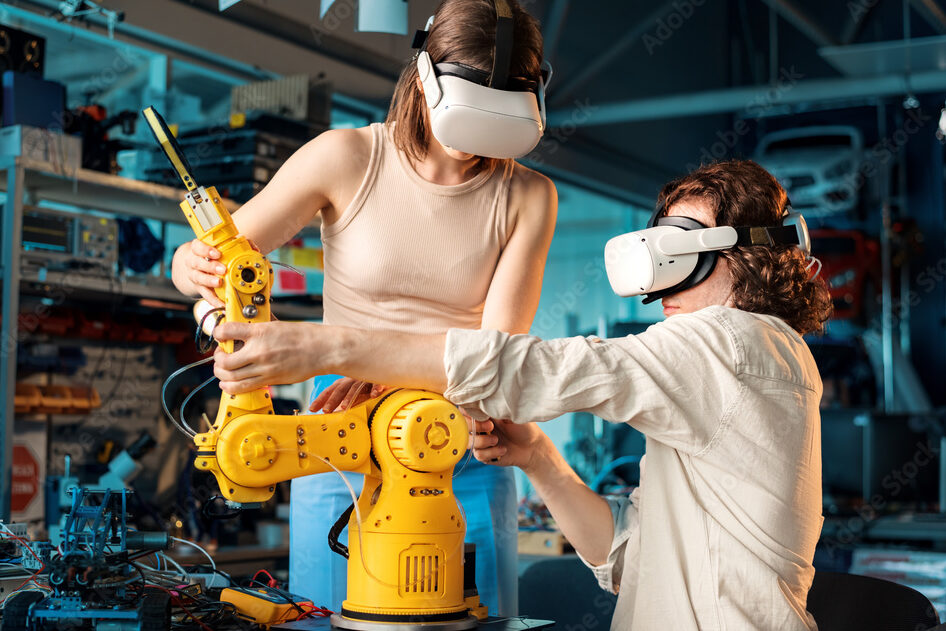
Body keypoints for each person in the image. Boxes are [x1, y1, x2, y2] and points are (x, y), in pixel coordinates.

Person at [211, 160, 833, 630]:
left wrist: (329, 348)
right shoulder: (725, 363)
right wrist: (539, 457)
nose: (664, 276)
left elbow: (535, 367)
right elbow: (626, 557)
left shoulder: (736, 344)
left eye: (686, 247)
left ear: (752, 257)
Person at [170, 0, 556, 615]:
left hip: (463, 444)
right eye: (466, 118)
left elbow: (496, 359)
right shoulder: (346, 157)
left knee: (476, 622)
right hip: (339, 442)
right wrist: (190, 270)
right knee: (329, 618)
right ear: (423, 79)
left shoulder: (529, 195)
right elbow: (219, 267)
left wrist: (371, 371)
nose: (472, 151)